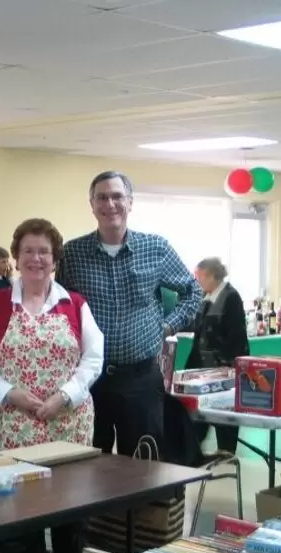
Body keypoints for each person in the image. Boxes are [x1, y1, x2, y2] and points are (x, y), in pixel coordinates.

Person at [0, 218, 103, 553]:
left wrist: (66, 395)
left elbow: (93, 358)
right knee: (17, 513)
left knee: (70, 512)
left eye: (44, 251)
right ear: (16, 256)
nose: (36, 258)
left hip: (68, 426)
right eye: (28, 250)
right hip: (13, 426)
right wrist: (8, 392)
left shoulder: (74, 304)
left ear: (55, 259)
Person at [60, 170, 201, 456]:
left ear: (130, 202)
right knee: (88, 462)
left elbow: (193, 292)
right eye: (102, 197)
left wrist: (167, 327)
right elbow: (58, 305)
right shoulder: (72, 254)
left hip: (140, 379)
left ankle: (138, 504)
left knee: (141, 464)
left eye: (117, 196)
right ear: (92, 205)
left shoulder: (156, 248)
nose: (110, 204)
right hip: (89, 378)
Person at [185, 257, 249, 459]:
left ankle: (227, 451)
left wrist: (227, 365)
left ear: (212, 275)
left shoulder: (231, 297)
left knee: (225, 411)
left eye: (200, 276)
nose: (198, 281)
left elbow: (236, 336)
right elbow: (199, 335)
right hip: (204, 369)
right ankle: (194, 449)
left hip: (223, 367)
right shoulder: (206, 298)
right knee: (199, 412)